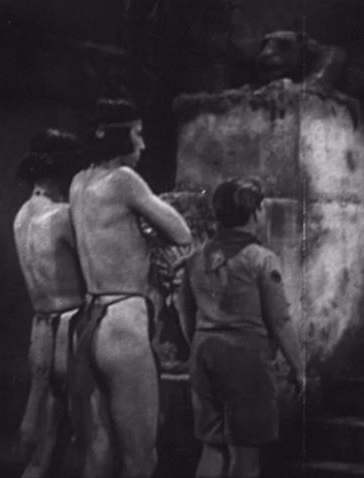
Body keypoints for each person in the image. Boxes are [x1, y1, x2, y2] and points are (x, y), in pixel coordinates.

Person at [68, 98, 192, 478]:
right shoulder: (124, 180)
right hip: (122, 321)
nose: (143, 144)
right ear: (119, 135)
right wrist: (149, 229)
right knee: (141, 458)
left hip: (89, 321)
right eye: (137, 134)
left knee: (100, 452)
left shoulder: (78, 182)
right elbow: (181, 233)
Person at [177, 177, 304, 478]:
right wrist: (298, 367)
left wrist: (198, 342)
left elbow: (184, 311)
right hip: (245, 358)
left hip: (204, 351)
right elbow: (280, 320)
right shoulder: (261, 259)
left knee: (212, 446)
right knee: (245, 453)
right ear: (256, 212)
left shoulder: (195, 259)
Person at [13, 129, 88, 478]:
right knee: (86, 434)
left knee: (42, 435)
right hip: (69, 330)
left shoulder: (21, 216)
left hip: (40, 330)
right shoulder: (62, 216)